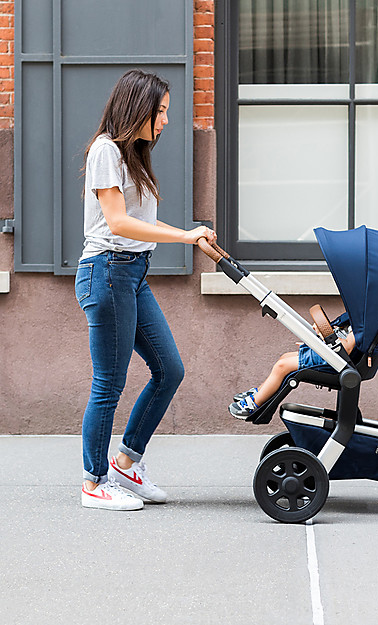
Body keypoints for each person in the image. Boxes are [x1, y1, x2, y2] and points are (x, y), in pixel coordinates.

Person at [75, 69, 217, 511]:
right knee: (109, 384)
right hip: (108, 271)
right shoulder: (105, 152)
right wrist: (185, 237)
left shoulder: (134, 156)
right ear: (137, 108)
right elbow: (118, 223)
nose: (166, 121)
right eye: (160, 112)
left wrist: (193, 236)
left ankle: (125, 462)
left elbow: (146, 226)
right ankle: (94, 482)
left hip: (133, 273)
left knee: (169, 370)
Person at [229, 315, 355, 419]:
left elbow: (347, 348)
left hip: (335, 360)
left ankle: (254, 404)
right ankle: (260, 392)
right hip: (331, 354)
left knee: (282, 366)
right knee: (284, 357)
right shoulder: (358, 318)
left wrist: (323, 333)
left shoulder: (362, 325)